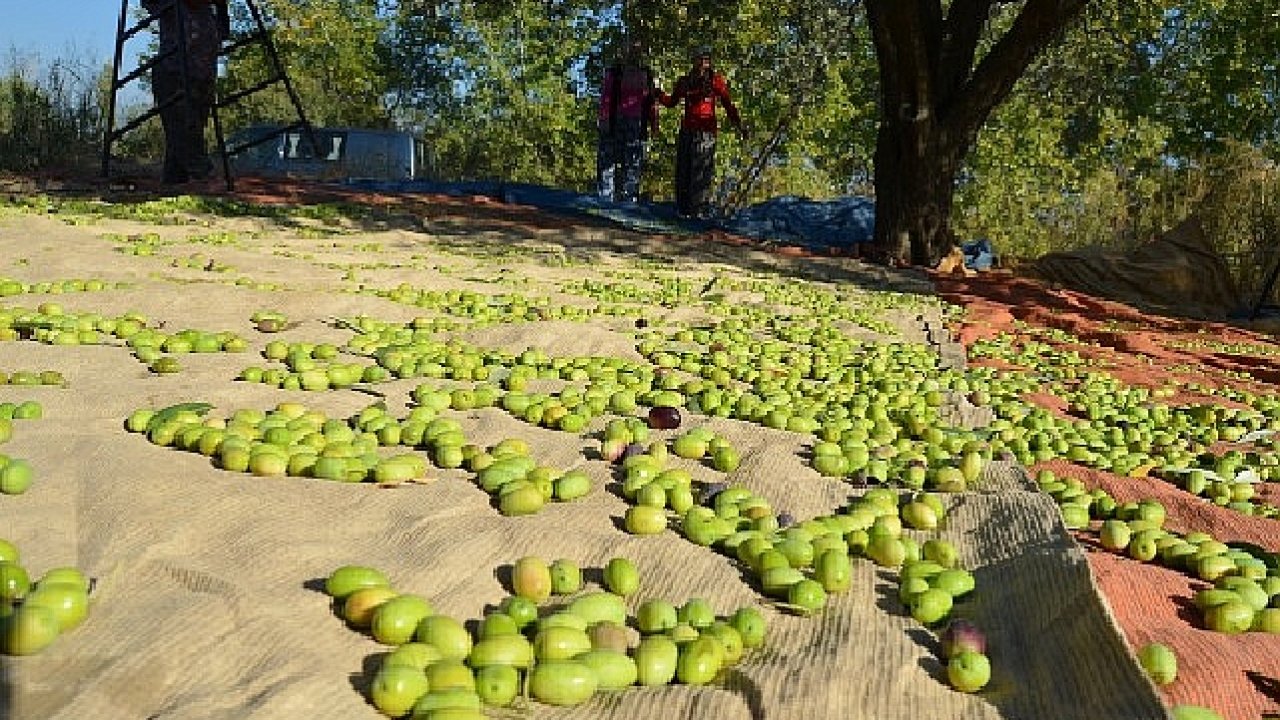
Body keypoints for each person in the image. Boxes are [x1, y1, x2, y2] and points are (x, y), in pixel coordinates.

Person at [143, 0, 230, 184]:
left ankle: (176, 179)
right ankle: (198, 171)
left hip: (201, 73)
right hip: (174, 70)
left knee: (191, 126)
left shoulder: (209, 15)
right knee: (182, 124)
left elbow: (223, 30)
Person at [659, 46, 747, 218]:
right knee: (683, 171)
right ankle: (682, 211)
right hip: (687, 131)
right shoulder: (685, 81)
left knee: (701, 174)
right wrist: (658, 95)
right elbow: (671, 102)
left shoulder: (716, 81)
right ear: (694, 60)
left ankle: (698, 212)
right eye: (700, 58)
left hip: (706, 132)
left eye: (706, 59)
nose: (703, 62)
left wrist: (740, 125)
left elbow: (728, 105)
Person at [596, 38, 661, 204]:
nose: (633, 54)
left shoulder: (646, 74)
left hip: (637, 123)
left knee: (633, 162)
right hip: (614, 120)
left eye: (637, 51)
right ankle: (605, 199)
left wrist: (654, 124)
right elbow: (606, 97)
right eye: (630, 50)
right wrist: (603, 119)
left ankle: (629, 201)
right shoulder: (615, 72)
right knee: (608, 161)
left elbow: (652, 100)